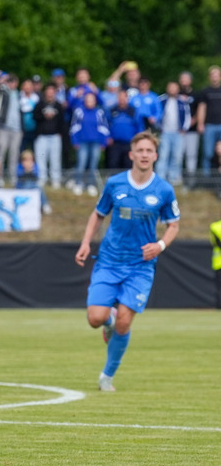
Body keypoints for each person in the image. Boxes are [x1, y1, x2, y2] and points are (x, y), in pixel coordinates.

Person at [75, 132, 180, 392]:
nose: (144, 155)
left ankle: (107, 376)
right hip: (109, 261)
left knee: (125, 321)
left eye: (149, 151)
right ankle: (107, 322)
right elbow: (97, 215)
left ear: (155, 156)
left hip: (140, 267)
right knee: (95, 319)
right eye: (140, 150)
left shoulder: (164, 190)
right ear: (131, 154)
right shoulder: (114, 184)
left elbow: (173, 225)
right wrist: (86, 242)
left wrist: (160, 245)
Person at [211, 214, 221, 309]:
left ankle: (219, 306)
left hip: (218, 263)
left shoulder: (215, 226)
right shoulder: (215, 226)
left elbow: (216, 243)